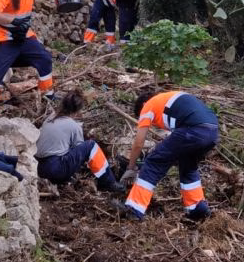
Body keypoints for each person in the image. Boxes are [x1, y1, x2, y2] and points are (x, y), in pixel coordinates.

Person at [118, 89, 219, 222]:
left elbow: (138, 143)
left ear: (142, 105)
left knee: (153, 162)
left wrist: (130, 168)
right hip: (212, 132)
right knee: (188, 166)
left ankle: (134, 208)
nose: (153, 124)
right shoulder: (168, 98)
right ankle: (197, 208)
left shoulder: (148, 105)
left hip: (192, 130)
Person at [35, 89, 124, 192]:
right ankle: (109, 182)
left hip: (38, 167)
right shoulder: (73, 126)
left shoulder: (50, 118)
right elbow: (80, 153)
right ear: (78, 110)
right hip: (55, 169)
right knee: (91, 146)